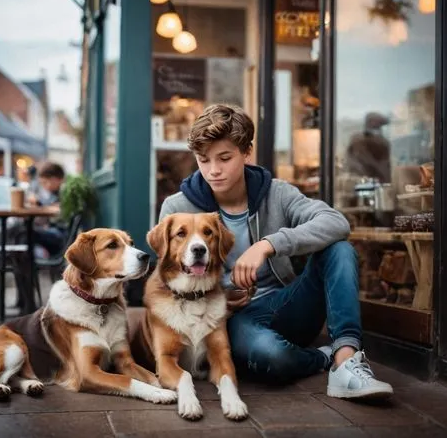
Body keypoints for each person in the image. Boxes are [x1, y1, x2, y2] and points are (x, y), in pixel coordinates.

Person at [158, 104, 393, 399]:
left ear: (247, 152)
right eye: (203, 160)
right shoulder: (177, 208)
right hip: (227, 322)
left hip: (287, 305)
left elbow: (336, 222)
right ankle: (323, 358)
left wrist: (268, 245)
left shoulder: (277, 193)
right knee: (273, 357)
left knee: (339, 249)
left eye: (225, 158)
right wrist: (216, 297)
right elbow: (167, 282)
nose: (213, 170)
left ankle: (346, 360)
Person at [27, 162, 67, 257]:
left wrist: (39, 204)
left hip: (61, 234)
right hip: (56, 231)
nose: (44, 186)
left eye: (45, 183)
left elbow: (56, 209)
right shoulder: (56, 192)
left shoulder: (65, 191)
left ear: (54, 179)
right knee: (26, 232)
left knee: (26, 232)